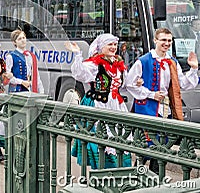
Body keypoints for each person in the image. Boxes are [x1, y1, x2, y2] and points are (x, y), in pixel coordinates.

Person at [126, 28, 198, 172]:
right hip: (146, 107)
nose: (166, 43)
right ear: (155, 41)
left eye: (169, 40)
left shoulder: (172, 62)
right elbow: (129, 83)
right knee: (146, 144)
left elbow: (183, 83)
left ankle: (155, 175)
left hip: (165, 107)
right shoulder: (143, 61)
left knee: (163, 144)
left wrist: (193, 69)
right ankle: (137, 176)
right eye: (163, 40)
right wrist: (151, 94)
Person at [65, 33, 131, 169]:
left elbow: (125, 83)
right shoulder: (94, 64)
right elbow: (79, 73)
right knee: (103, 138)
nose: (113, 47)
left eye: (115, 45)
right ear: (101, 47)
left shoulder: (118, 64)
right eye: (110, 45)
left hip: (116, 105)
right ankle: (104, 174)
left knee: (120, 138)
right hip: (100, 103)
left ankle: (121, 173)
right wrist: (78, 54)